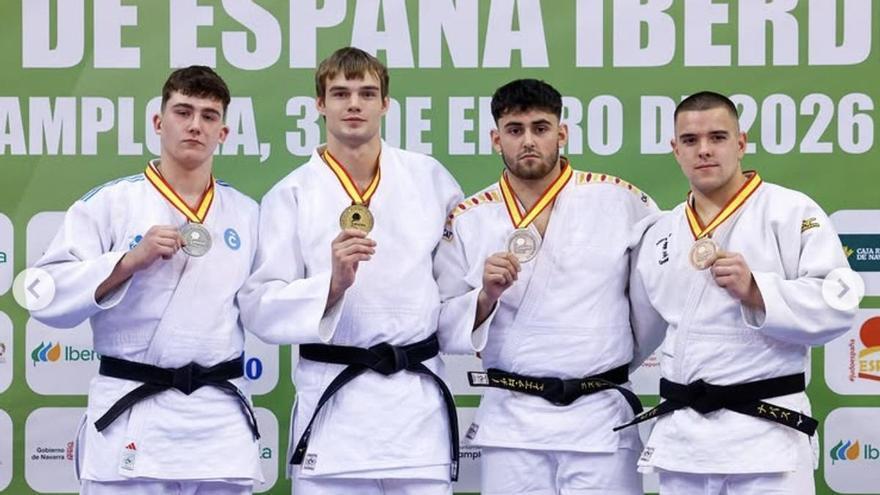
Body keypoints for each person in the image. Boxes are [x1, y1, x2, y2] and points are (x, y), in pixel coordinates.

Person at [237, 47, 465, 495]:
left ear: (386, 104)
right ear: (320, 105)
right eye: (340, 93)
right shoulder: (291, 194)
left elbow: (455, 288)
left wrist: (486, 297)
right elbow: (259, 305)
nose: (354, 104)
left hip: (415, 408)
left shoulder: (431, 179)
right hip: (334, 409)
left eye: (367, 93)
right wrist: (332, 285)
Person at [31, 66, 262, 494]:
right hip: (132, 409)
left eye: (209, 116)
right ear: (159, 122)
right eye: (183, 111)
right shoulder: (110, 204)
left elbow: (269, 302)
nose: (195, 125)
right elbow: (45, 295)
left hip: (217, 418)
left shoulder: (248, 214)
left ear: (224, 133)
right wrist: (125, 263)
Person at [617, 91, 857, 494]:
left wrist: (758, 290)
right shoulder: (660, 231)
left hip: (766, 437)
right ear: (675, 150)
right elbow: (636, 332)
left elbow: (838, 303)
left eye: (718, 137)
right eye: (690, 141)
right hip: (685, 441)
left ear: (741, 143)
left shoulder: (791, 212)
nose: (704, 150)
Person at [434, 78, 663, 495]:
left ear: (561, 134)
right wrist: (485, 296)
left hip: (600, 414)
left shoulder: (619, 199)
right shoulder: (469, 217)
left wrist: (623, 359)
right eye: (515, 130)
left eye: (540, 128)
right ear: (495, 138)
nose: (528, 141)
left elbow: (653, 304)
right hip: (512, 422)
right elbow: (443, 322)